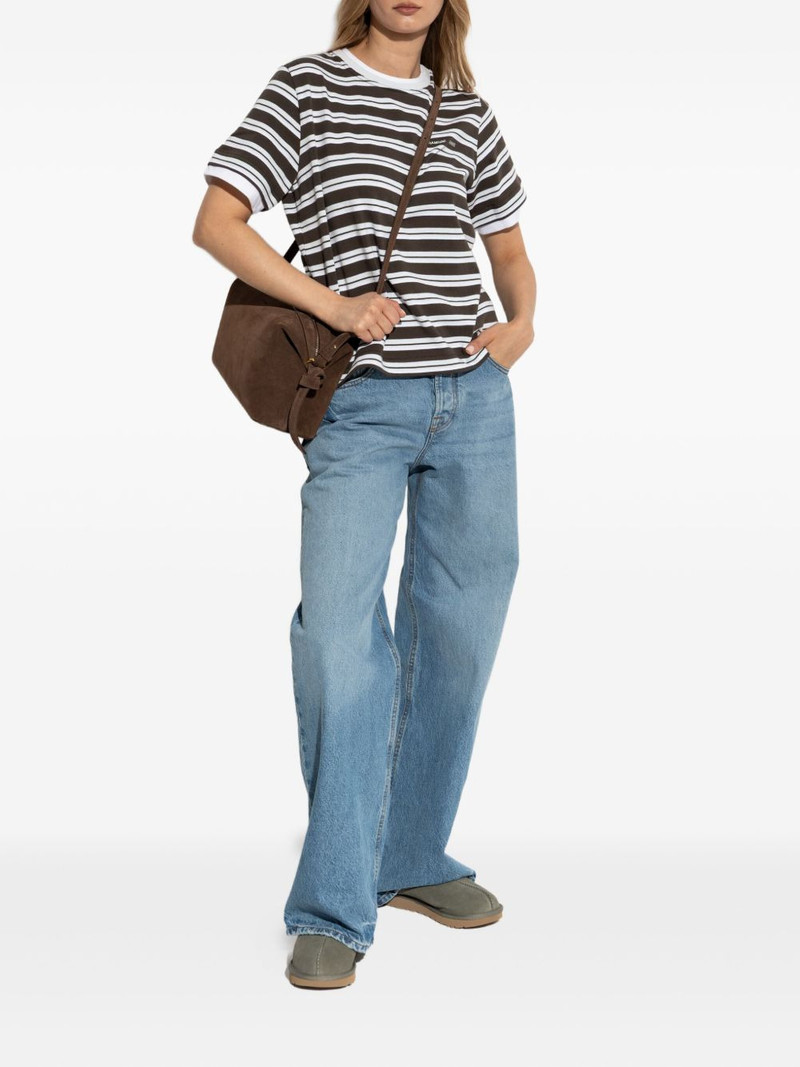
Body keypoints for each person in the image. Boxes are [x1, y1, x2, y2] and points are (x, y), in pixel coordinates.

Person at [193, 0, 537, 990]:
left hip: (473, 400)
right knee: (339, 638)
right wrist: (334, 305)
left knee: (460, 630)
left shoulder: (464, 110)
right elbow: (216, 222)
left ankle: (411, 853)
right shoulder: (307, 87)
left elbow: (509, 251)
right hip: (361, 403)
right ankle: (333, 900)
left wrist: (520, 326)